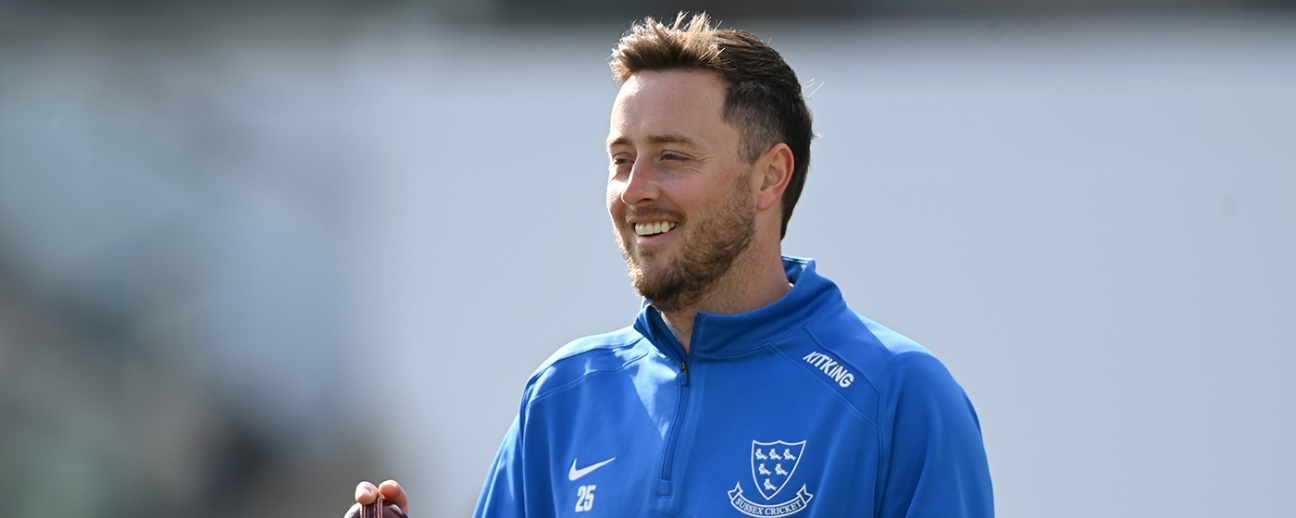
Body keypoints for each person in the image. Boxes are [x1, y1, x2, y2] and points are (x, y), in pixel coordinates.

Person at [350, 12, 993, 518]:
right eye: (621, 159)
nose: (634, 191)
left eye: (672, 157)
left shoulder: (899, 397)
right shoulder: (562, 396)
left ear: (770, 176)